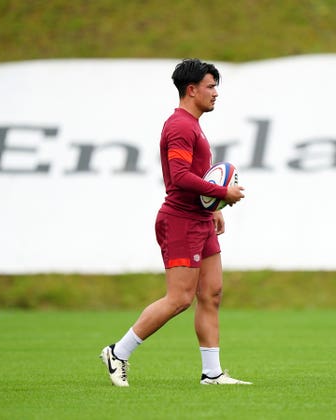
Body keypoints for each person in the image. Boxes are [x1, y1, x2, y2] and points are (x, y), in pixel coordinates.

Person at [100, 58, 251, 386]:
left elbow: (194, 176)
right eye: (211, 86)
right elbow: (180, 177)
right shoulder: (180, 126)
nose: (216, 93)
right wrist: (222, 191)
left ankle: (211, 374)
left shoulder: (194, 125)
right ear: (191, 89)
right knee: (180, 298)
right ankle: (118, 352)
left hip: (199, 218)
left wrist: (213, 207)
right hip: (180, 220)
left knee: (211, 293)